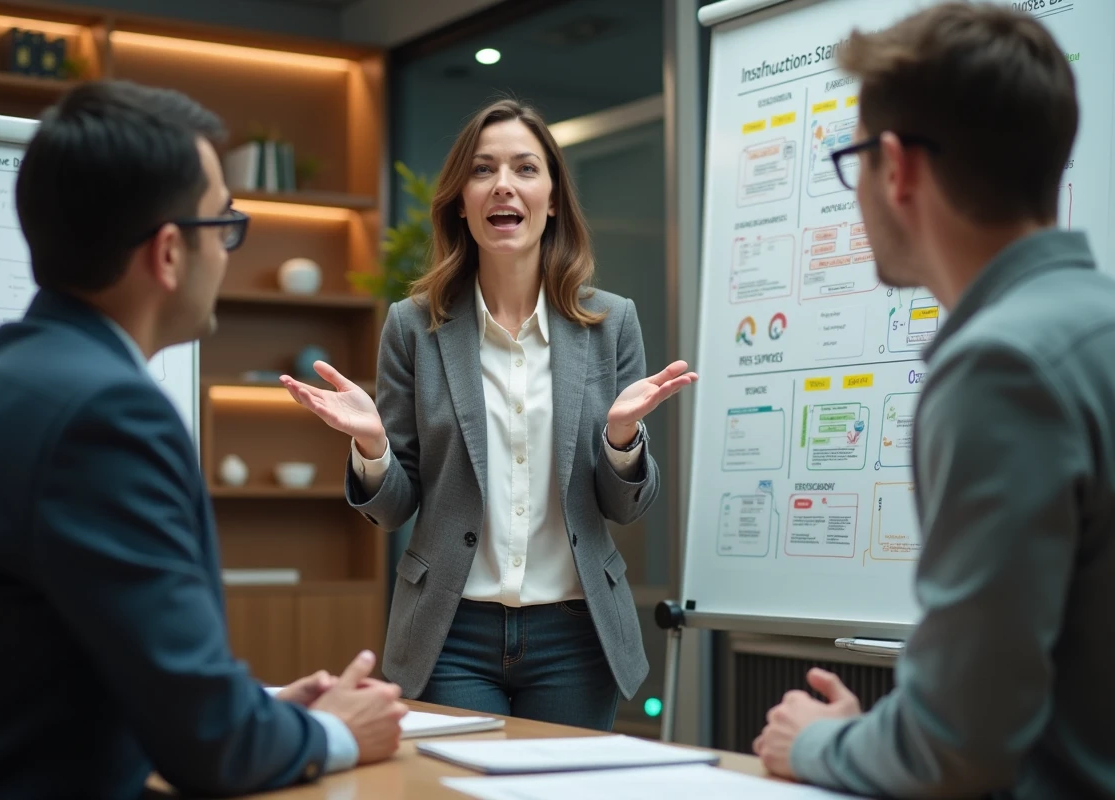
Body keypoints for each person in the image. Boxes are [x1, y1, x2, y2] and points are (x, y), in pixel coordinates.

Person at [0, 80, 406, 799]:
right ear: (170, 252)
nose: (228, 252)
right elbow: (208, 745)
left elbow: (69, 671)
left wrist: (262, 714)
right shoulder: (107, 415)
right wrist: (336, 732)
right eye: (224, 225)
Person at [753, 4, 1115, 797]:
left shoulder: (1001, 367)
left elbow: (958, 748)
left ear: (897, 167)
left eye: (853, 162)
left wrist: (815, 744)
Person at [281, 98, 696, 730]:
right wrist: (372, 448)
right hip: (451, 632)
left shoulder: (611, 323)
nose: (504, 184)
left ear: (552, 200)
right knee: (457, 780)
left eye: (525, 168)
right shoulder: (412, 327)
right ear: (461, 201)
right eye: (483, 169)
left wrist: (621, 440)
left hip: (576, 637)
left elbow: (624, 507)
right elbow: (393, 508)